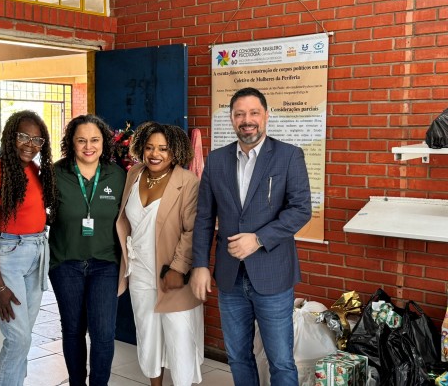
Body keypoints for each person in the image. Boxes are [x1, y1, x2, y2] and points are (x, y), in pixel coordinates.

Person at [190, 87, 312, 386]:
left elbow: (300, 210)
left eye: (254, 112)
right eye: (240, 114)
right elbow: (204, 217)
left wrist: (257, 239)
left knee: (280, 360)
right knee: (237, 356)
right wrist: (200, 265)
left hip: (273, 274)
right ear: (231, 119)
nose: (247, 120)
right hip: (230, 277)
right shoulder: (216, 160)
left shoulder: (288, 156)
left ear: (266, 116)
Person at [116, 121, 204, 386]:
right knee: (148, 335)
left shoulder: (187, 181)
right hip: (140, 270)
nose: (155, 154)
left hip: (172, 273)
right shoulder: (134, 174)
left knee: (179, 336)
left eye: (163, 149)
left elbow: (191, 230)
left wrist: (178, 268)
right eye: (150, 147)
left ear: (175, 152)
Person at [0, 110, 58, 386]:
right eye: (24, 136)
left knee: (23, 337)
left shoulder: (36, 170)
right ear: (11, 136)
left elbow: (33, 211)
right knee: (18, 337)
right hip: (9, 256)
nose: (30, 144)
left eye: (37, 140)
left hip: (38, 252)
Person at [48, 114, 126, 386]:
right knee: (72, 331)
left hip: (105, 263)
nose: (88, 146)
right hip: (65, 262)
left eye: (94, 140)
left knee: (103, 334)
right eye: (81, 140)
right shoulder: (55, 174)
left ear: (104, 141)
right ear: (71, 142)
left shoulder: (117, 175)